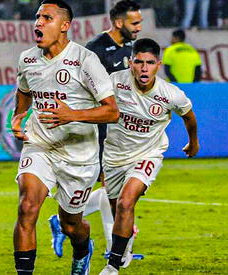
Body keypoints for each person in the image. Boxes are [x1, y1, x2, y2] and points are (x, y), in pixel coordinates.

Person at [10, 1, 120, 274]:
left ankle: (83, 250)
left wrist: (73, 114)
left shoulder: (85, 60)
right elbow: (24, 88)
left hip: (79, 156)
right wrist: (18, 115)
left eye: (46, 18)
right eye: (37, 17)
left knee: (72, 224)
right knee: (27, 207)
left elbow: (112, 111)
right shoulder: (27, 58)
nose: (38, 23)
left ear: (64, 26)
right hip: (41, 144)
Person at [48, 0, 145, 265]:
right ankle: (116, 251)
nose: (139, 27)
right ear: (118, 22)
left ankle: (60, 221)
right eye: (134, 22)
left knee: (120, 190)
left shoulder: (132, 49)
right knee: (113, 189)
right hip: (103, 131)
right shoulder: (95, 50)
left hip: (127, 132)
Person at [98, 38, 199, 274]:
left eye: (150, 63)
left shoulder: (170, 94)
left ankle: (112, 267)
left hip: (148, 154)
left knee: (126, 202)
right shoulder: (114, 82)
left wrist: (193, 142)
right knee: (118, 209)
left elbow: (189, 116)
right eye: (139, 62)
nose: (144, 68)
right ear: (130, 63)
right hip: (114, 155)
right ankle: (127, 240)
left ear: (159, 64)